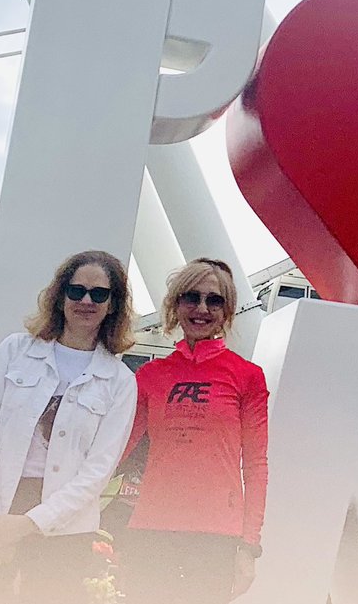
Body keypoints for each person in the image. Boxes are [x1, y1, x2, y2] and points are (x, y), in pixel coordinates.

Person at [0, 250, 138, 604]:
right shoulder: (14, 352)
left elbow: (98, 471)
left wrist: (29, 524)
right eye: (77, 291)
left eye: (99, 294)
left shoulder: (120, 381)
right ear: (60, 296)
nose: (86, 300)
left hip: (65, 526)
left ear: (112, 305)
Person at [120, 257, 269, 604]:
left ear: (227, 310)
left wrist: (249, 546)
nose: (201, 308)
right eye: (191, 297)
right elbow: (117, 450)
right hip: (151, 531)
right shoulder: (149, 376)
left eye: (214, 300)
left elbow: (257, 466)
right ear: (175, 305)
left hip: (216, 537)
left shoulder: (247, 376)